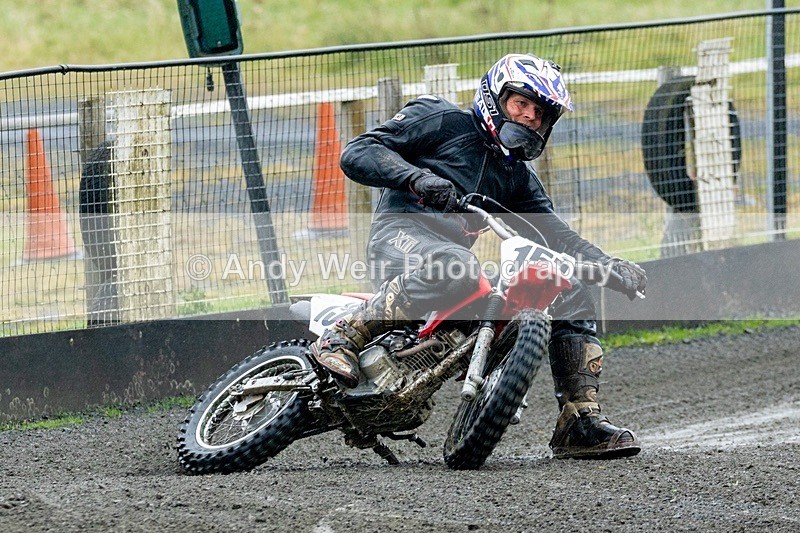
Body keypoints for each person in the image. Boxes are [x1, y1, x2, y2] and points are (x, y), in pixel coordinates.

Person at [310, 53, 647, 459]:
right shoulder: (442, 120)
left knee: (568, 287)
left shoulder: (518, 179)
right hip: (399, 238)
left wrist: (610, 264)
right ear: (496, 96)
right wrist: (417, 177)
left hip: (454, 266)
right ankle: (344, 335)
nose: (528, 118)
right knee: (459, 267)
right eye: (521, 104)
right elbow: (358, 152)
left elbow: (559, 236)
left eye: (539, 113)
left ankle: (579, 421)